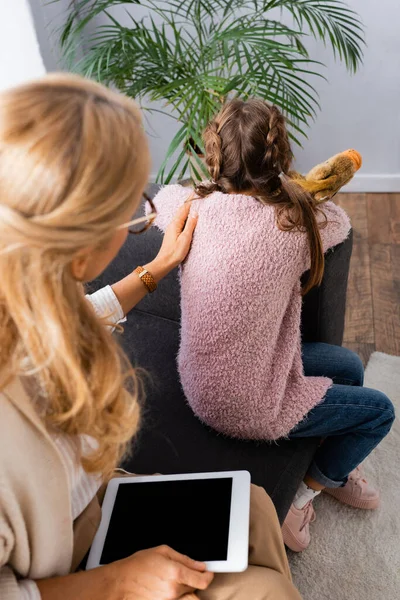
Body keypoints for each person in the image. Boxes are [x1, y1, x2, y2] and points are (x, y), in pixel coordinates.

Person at [0, 75, 302, 599]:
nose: (134, 222)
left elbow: (80, 320)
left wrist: (157, 268)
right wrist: (116, 583)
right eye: (130, 205)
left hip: (91, 502)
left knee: (250, 506)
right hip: (50, 570)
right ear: (80, 241)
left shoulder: (29, 293)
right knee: (264, 591)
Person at [151, 99, 395, 552]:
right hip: (246, 402)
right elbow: (339, 223)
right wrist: (297, 188)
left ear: (216, 155)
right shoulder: (296, 220)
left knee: (346, 365)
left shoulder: (190, 205)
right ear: (280, 154)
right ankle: (300, 498)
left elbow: (162, 196)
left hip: (203, 382)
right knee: (380, 411)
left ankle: (333, 467)